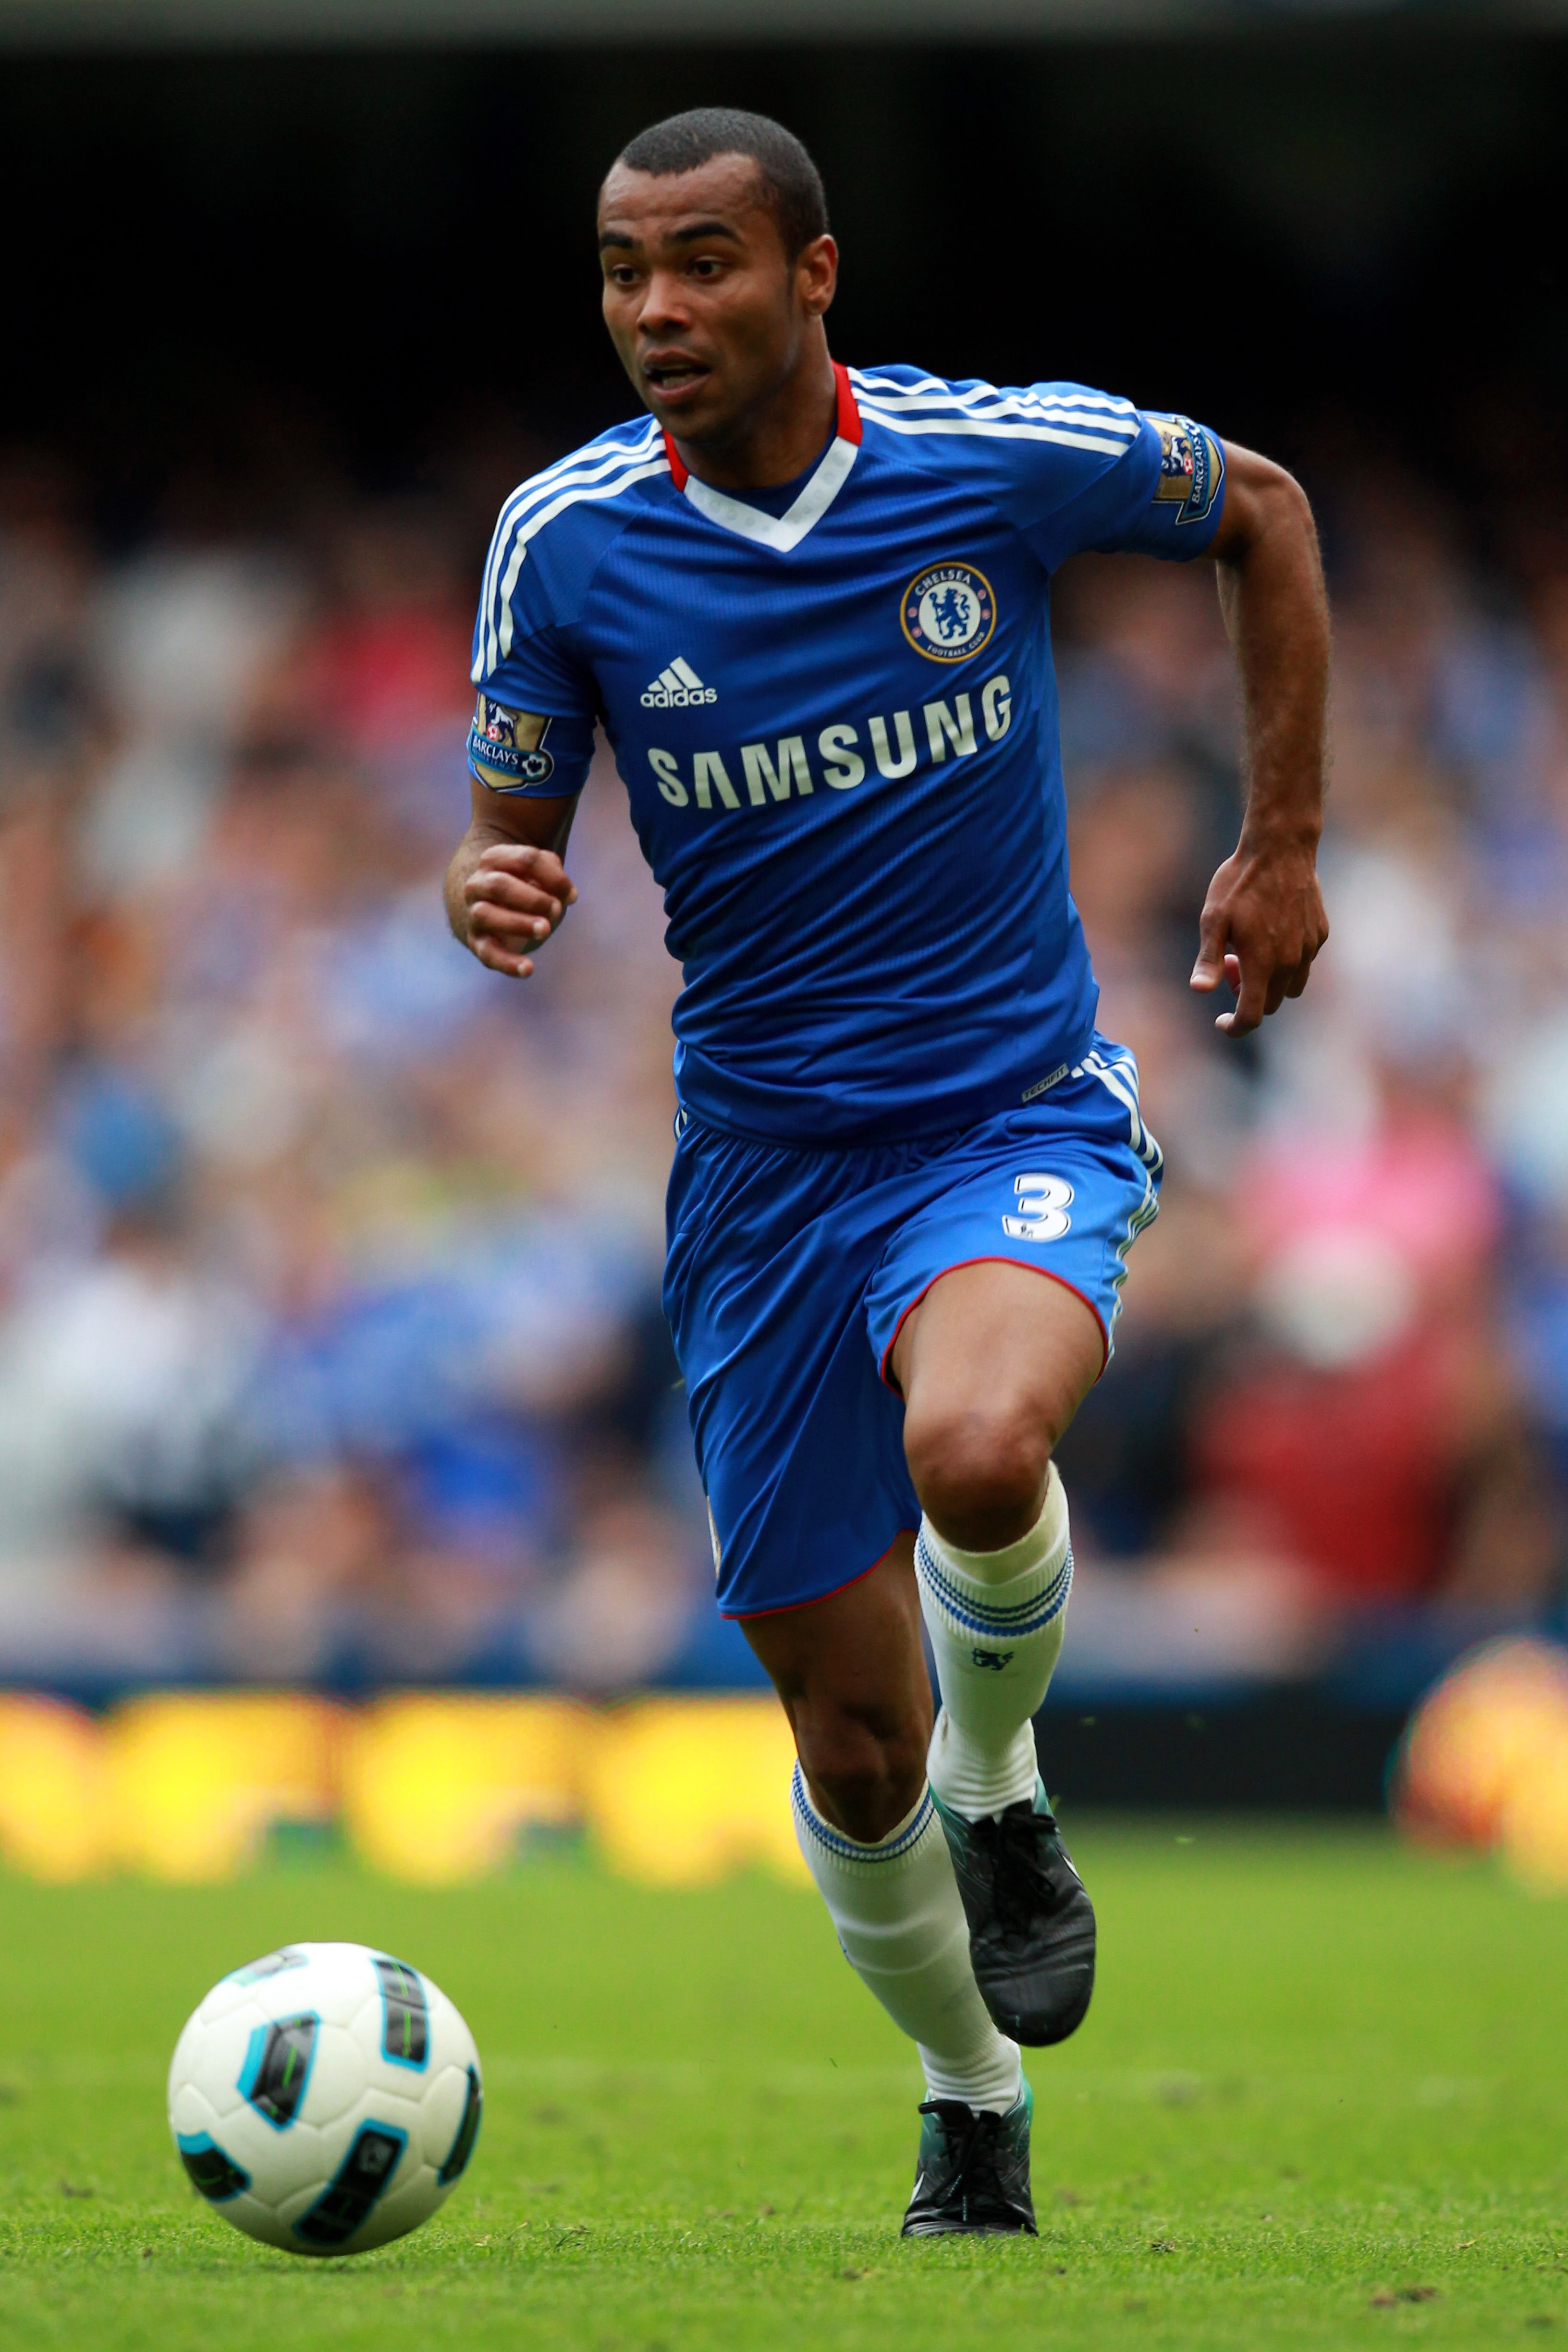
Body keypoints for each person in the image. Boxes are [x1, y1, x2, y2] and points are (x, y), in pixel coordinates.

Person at [445, 107, 1329, 2236]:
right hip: (760, 1176)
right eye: (625, 272)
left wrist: (1282, 841)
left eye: (706, 262)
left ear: (813, 274)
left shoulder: (985, 460)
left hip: (1006, 1112)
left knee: (981, 1445)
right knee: (847, 1747)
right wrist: (491, 885)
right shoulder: (564, 542)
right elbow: (508, 834)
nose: (659, 309)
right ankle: (969, 2094)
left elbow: (1267, 510)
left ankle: (1001, 1785)